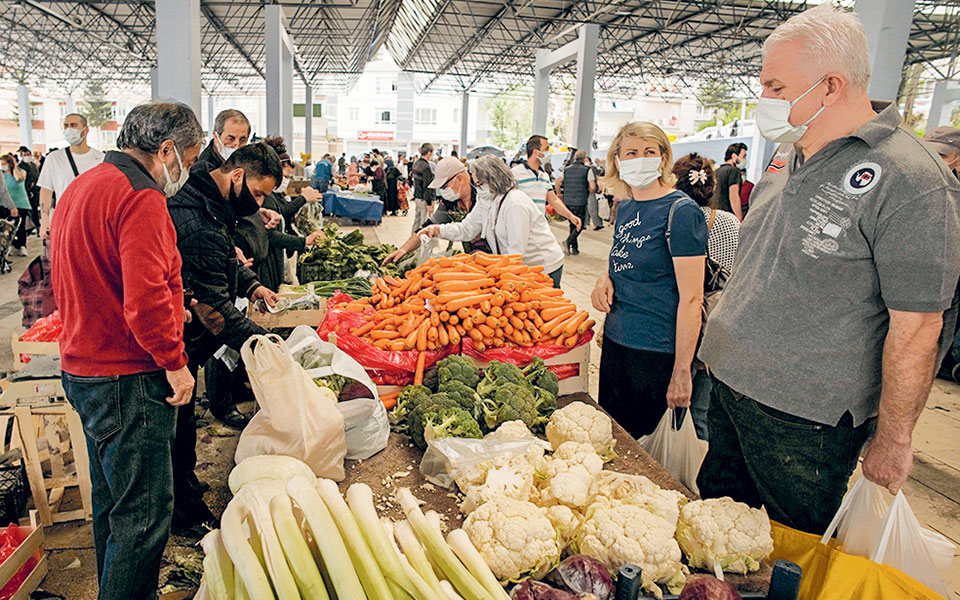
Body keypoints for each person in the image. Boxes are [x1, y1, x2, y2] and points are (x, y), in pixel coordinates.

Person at [697, 4, 960, 534]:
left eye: (775, 86)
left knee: (793, 548)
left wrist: (894, 438)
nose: (764, 98)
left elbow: (918, 326)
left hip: (804, 419)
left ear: (831, 87)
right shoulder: (788, 152)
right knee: (716, 530)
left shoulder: (910, 180)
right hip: (729, 384)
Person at [50, 101, 202, 600]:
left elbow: (95, 276)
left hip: (84, 368)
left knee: (114, 504)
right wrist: (175, 363)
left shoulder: (85, 184)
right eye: (189, 158)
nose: (188, 170)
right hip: (127, 376)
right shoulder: (141, 198)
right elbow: (146, 298)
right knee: (144, 516)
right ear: (166, 150)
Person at [168, 143, 281, 536]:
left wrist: (251, 285)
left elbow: (221, 260)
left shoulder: (210, 202)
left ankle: (185, 487)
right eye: (259, 193)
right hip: (178, 342)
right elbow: (213, 308)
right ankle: (185, 514)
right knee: (178, 430)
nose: (259, 203)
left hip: (189, 337)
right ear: (237, 176)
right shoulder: (196, 219)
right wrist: (264, 343)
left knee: (183, 427)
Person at [590, 122, 707, 440]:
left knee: (643, 450)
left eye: (649, 151)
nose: (640, 158)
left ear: (663, 158)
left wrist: (682, 371)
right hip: (616, 345)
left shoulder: (681, 213)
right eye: (631, 152)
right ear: (617, 160)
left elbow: (692, 299)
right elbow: (624, 262)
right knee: (613, 440)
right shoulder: (626, 207)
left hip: (655, 353)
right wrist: (604, 279)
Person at [384, 155, 565, 286]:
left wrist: (490, 273)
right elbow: (467, 228)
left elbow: (516, 254)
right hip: (514, 266)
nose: (477, 188)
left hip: (542, 266)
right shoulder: (487, 200)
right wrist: (438, 230)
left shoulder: (515, 204)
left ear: (493, 180)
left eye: (479, 183)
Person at [672, 153, 741, 441]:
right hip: (719, 324)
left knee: (674, 405)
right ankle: (696, 456)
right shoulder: (731, 223)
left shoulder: (675, 220)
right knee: (702, 410)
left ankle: (671, 453)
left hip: (682, 325)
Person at [37, 113, 105, 238]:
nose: (69, 130)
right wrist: (44, 219)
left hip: (93, 222)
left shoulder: (101, 158)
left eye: (73, 125)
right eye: (66, 126)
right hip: (64, 222)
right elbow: (46, 191)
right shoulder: (54, 158)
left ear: (86, 130)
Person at [512, 135, 582, 231]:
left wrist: (570, 216)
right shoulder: (515, 174)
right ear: (536, 152)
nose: (549, 152)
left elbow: (554, 200)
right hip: (520, 227)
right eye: (546, 149)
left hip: (539, 227)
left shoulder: (544, 176)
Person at [553, 150, 596, 255]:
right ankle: (568, 241)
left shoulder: (566, 170)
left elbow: (557, 183)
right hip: (580, 201)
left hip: (568, 201)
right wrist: (588, 193)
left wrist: (559, 194)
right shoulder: (587, 170)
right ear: (584, 158)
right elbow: (592, 187)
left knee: (573, 223)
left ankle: (575, 248)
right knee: (580, 224)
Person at [2, 154, 31, 255]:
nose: (3, 166)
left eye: (5, 163)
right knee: (8, 227)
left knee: (20, 226)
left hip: (21, 203)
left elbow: (19, 178)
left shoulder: (21, 171)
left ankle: (22, 246)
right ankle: (11, 245)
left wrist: (14, 167)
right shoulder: (2, 175)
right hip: (7, 204)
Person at [712, 143, 746, 221]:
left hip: (716, 215)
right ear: (734, 156)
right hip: (728, 217)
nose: (745, 159)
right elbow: (734, 195)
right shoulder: (733, 171)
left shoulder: (717, 171)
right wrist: (739, 218)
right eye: (743, 156)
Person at [411, 143, 437, 232]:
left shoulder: (416, 163)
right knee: (424, 223)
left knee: (417, 221)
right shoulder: (426, 167)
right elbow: (428, 186)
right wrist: (429, 204)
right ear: (429, 152)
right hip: (425, 199)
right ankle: (423, 241)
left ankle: (413, 239)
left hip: (418, 196)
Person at [17, 146, 39, 232]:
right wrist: (29, 186)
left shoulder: (33, 165)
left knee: (35, 209)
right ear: (21, 156)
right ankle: (31, 226)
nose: (27, 156)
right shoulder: (20, 166)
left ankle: (36, 226)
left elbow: (37, 175)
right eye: (24, 155)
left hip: (35, 191)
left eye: (28, 154)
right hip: (26, 191)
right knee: (29, 211)